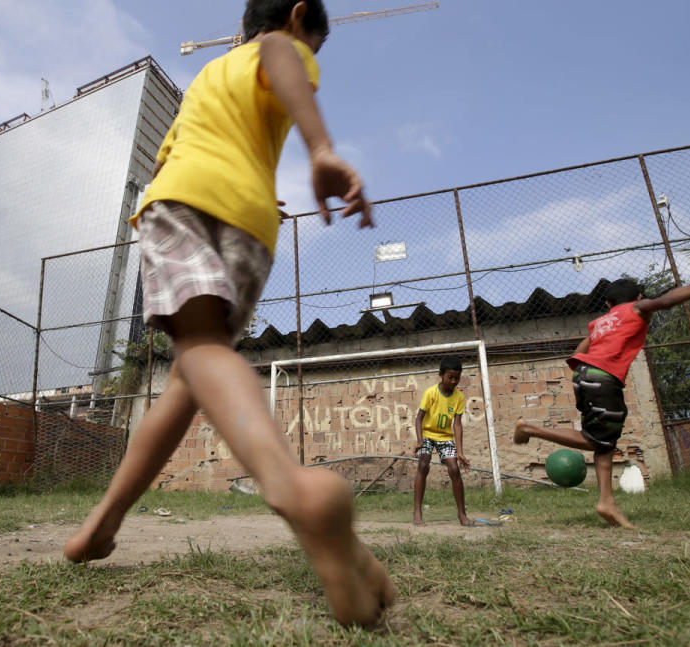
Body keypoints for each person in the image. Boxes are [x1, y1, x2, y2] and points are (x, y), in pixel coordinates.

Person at [63, 0, 394, 626]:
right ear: (298, 18)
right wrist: (317, 149)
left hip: (184, 203)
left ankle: (290, 490)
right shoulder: (278, 47)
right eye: (312, 47)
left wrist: (320, 149)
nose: (305, 59)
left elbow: (167, 162)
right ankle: (104, 522)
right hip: (252, 223)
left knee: (200, 353)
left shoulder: (215, 75)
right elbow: (279, 55)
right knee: (192, 377)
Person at [514, 254, 690, 528]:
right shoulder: (635, 309)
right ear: (638, 296)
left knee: (605, 443)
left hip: (584, 374)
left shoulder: (600, 322)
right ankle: (531, 429)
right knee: (597, 441)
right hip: (604, 379)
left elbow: (579, 352)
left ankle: (606, 501)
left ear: (608, 304)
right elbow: (666, 301)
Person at [413, 356, 473, 526]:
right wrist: (419, 440)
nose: (454, 381)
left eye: (457, 378)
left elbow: (458, 425)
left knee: (454, 469)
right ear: (441, 375)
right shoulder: (431, 393)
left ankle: (462, 514)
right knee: (423, 463)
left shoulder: (459, 397)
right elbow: (418, 419)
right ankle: (417, 513)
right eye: (450, 377)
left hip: (445, 437)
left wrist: (460, 452)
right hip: (427, 435)